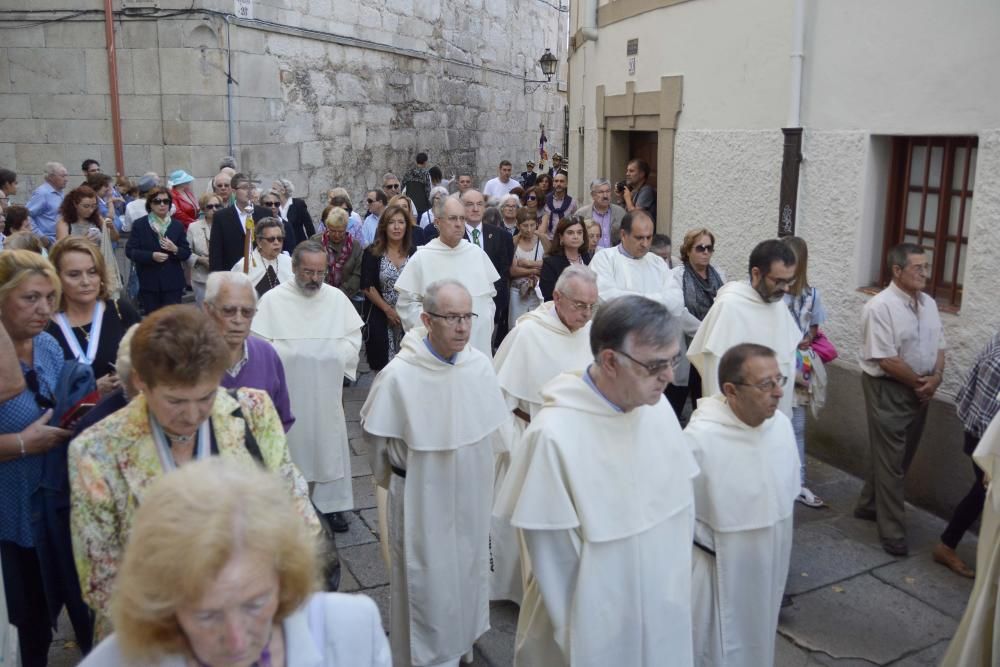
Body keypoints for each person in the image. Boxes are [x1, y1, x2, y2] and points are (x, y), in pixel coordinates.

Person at [69, 305, 320, 637]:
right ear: (140, 382)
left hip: (254, 619)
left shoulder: (253, 411)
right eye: (175, 401)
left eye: (206, 397)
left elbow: (299, 515)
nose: (192, 415)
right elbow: (100, 576)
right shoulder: (98, 450)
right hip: (157, 634)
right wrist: (196, 625)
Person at [495, 295, 699, 666]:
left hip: (662, 608)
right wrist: (592, 636)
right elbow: (556, 563)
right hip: (590, 623)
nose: (669, 377)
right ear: (609, 361)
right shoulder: (554, 436)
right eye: (655, 365)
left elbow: (682, 512)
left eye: (672, 361)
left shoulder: (657, 413)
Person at [80, 458, 391, 667]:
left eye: (255, 604)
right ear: (163, 605)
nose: (236, 641)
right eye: (206, 615)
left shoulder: (354, 630)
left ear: (284, 580)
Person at [361, 279, 509, 667]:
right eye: (451, 318)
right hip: (422, 497)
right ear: (427, 319)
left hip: (471, 495)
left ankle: (461, 648)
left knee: (466, 575)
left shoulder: (479, 366)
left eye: (467, 317)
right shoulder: (399, 377)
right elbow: (378, 445)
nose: (462, 327)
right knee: (427, 582)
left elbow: (491, 434)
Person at [0, 250, 95, 666]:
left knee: (53, 619)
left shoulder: (47, 345)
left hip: (52, 513)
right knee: (20, 633)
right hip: (7, 519)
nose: (44, 310)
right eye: (30, 299)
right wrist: (22, 443)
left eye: (48, 297)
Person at [686, 343, 799, 667]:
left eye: (780, 380)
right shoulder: (699, 440)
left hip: (767, 571)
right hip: (715, 577)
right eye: (766, 384)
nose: (778, 393)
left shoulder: (781, 427)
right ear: (730, 390)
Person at [491, 265, 598, 603]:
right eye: (580, 305)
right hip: (529, 437)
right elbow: (499, 399)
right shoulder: (527, 334)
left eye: (591, 306)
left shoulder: (592, 333)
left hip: (579, 441)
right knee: (522, 519)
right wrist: (509, 446)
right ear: (557, 297)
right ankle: (517, 590)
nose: (586, 314)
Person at [251, 241, 363, 533]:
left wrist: (335, 355)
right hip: (290, 392)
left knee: (330, 445)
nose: (315, 279)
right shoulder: (273, 301)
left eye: (320, 272)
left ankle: (333, 505)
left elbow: (352, 339)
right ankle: (292, 503)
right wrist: (294, 355)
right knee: (293, 447)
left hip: (326, 391)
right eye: (308, 272)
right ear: (295, 268)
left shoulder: (336, 299)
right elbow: (260, 343)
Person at [854, 243, 945, 556]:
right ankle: (892, 531)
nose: (925, 273)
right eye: (918, 267)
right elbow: (885, 360)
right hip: (889, 389)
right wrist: (923, 384)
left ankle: (868, 505)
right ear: (896, 271)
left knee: (900, 456)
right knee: (892, 462)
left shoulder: (929, 304)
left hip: (920, 390)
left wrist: (936, 379)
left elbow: (940, 346)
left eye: (926, 267)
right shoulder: (879, 307)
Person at [688, 239, 802, 418]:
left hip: (776, 418)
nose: (786, 289)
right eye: (779, 281)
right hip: (735, 420)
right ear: (756, 274)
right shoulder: (729, 307)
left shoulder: (779, 307)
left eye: (790, 281)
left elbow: (787, 360)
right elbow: (715, 373)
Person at [395, 197, 500, 357]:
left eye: (462, 218)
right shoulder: (422, 257)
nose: (459, 224)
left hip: (476, 344)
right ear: (437, 222)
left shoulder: (477, 254)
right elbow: (407, 304)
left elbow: (489, 299)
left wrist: (483, 324)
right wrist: (434, 330)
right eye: (452, 218)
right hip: (435, 348)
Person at [932, 334, 1000, 579]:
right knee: (984, 492)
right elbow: (987, 409)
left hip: (985, 437)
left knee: (982, 493)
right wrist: (991, 460)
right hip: (986, 439)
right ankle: (947, 545)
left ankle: (947, 544)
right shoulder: (998, 356)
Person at [46, 237, 140, 396]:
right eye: (74, 274)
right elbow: (46, 393)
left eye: (92, 272)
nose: (86, 281)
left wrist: (129, 376)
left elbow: (151, 360)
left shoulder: (121, 310)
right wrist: (92, 390)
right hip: (74, 419)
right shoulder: (46, 327)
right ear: (57, 278)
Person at [204, 272, 295, 432]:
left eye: (247, 312)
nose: (238, 320)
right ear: (208, 310)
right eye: (228, 310)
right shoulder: (188, 357)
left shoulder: (267, 354)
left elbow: (281, 418)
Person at [782, 236, 829, 508]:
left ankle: (798, 481)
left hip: (800, 364)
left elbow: (813, 330)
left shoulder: (812, 294)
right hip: (776, 362)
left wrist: (805, 338)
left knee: (797, 425)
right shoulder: (773, 292)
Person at [666, 228, 726, 418]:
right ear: (688, 250)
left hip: (709, 350)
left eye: (709, 248)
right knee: (674, 407)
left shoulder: (719, 275)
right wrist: (705, 331)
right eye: (700, 248)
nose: (706, 252)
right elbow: (678, 311)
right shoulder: (676, 275)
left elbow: (724, 308)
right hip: (684, 347)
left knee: (706, 405)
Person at [361, 204, 416, 371]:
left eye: (401, 222)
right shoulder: (372, 252)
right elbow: (366, 285)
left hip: (408, 317)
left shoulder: (413, 252)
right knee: (383, 369)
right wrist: (388, 310)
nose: (397, 227)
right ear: (384, 226)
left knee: (409, 367)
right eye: (392, 222)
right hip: (381, 314)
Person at [125, 186, 192, 313]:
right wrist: (151, 256)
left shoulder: (177, 225)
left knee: (172, 323)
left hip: (173, 283)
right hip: (149, 283)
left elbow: (186, 252)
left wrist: (175, 249)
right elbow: (130, 251)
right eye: (157, 201)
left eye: (165, 201)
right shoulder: (140, 224)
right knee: (154, 323)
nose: (162, 204)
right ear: (150, 204)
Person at [208, 173, 268, 272]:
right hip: (233, 271)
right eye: (244, 188)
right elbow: (216, 252)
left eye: (252, 187)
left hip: (261, 270)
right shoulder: (221, 217)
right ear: (234, 191)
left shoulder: (264, 213)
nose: (249, 192)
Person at [231, 217, 294, 298]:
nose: (276, 242)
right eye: (271, 239)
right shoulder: (245, 264)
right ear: (259, 242)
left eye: (280, 239)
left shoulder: (289, 262)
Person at [311, 206, 363, 299]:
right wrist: (328, 292)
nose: (336, 235)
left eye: (341, 231)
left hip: (347, 296)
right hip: (320, 294)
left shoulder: (355, 246)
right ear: (327, 227)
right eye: (333, 231)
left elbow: (358, 274)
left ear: (346, 228)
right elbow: (311, 268)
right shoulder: (316, 242)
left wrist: (341, 293)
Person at [539, 216, 591, 302]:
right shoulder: (551, 263)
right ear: (561, 237)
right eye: (570, 233)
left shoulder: (586, 257)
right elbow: (549, 296)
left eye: (579, 232)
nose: (576, 236)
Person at [508, 210, 546, 324]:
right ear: (518, 225)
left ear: (537, 224)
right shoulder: (513, 242)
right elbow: (513, 271)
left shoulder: (543, 240)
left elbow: (549, 264)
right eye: (525, 225)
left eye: (532, 225)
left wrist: (528, 263)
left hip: (538, 291)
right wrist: (536, 270)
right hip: (517, 291)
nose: (529, 229)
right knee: (517, 325)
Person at [186, 192, 221, 304]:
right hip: (201, 277)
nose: (214, 209)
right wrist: (200, 260)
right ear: (203, 209)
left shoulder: (226, 224)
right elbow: (186, 251)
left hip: (222, 276)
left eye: (217, 206)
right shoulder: (194, 227)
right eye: (210, 206)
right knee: (203, 312)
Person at [576, 178, 625, 249]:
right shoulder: (581, 214)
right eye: (601, 192)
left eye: (608, 191)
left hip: (614, 257)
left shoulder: (621, 213)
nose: (605, 195)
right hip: (590, 257)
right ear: (593, 195)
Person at [27, 161, 68, 244]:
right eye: (63, 176)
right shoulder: (42, 193)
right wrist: (40, 236)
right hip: (48, 241)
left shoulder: (61, 192)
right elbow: (27, 215)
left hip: (60, 239)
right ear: (51, 177)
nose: (66, 179)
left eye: (66, 176)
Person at [271, 177, 315, 247]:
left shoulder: (298, 204)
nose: (271, 191)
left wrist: (313, 245)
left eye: (274, 189)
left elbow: (309, 226)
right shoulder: (273, 205)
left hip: (299, 245)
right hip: (280, 246)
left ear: (283, 190)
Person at [620, 158, 656, 222]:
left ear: (642, 174)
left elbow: (636, 217)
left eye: (631, 171)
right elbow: (623, 215)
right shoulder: (633, 191)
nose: (627, 174)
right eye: (627, 170)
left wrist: (628, 199)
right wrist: (621, 198)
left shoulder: (646, 190)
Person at [543, 171, 577, 237]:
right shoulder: (544, 200)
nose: (558, 184)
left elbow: (574, 223)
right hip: (547, 239)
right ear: (553, 183)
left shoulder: (572, 203)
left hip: (565, 239)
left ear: (566, 184)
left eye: (561, 181)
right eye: (556, 181)